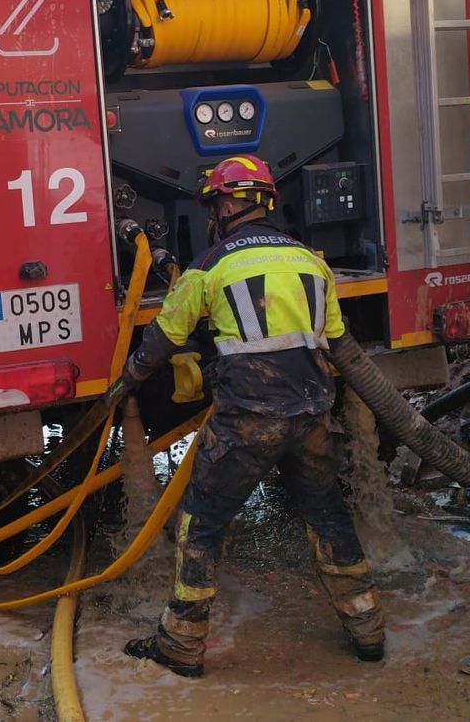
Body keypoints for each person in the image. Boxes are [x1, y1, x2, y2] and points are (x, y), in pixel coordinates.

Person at [119, 155, 384, 678]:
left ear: (226, 205)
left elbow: (163, 340)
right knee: (328, 517)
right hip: (310, 418)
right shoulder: (312, 261)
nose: (215, 213)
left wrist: (124, 383)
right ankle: (368, 629)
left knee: (203, 523)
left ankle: (181, 643)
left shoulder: (210, 265)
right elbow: (339, 345)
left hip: (245, 423)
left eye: (216, 202)